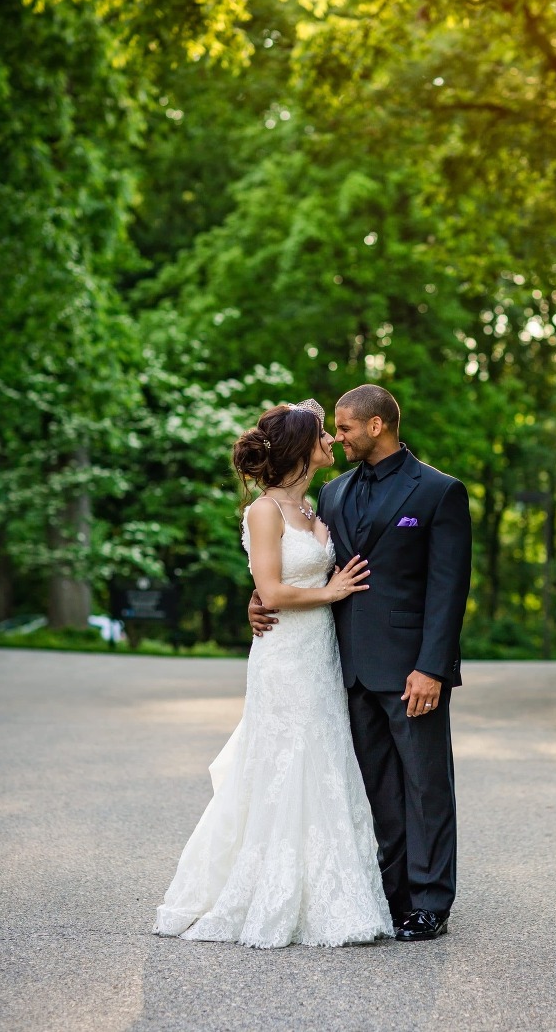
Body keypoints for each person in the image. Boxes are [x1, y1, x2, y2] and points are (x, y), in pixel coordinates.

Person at [154, 400, 393, 948]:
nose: (332, 441)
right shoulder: (264, 512)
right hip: (284, 657)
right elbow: (273, 589)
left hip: (321, 653)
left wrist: (315, 595)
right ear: (299, 447)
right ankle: (265, 892)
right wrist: (328, 591)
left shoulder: (315, 506)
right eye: (322, 436)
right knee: (285, 760)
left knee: (325, 758)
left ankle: (328, 893)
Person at [251, 385, 472, 941]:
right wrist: (257, 599)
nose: (338, 436)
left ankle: (430, 902)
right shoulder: (332, 493)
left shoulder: (439, 492)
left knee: (425, 784)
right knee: (374, 786)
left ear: (377, 426)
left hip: (409, 670)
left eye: (345, 427)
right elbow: (301, 571)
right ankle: (391, 894)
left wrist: (433, 667)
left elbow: (449, 589)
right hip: (340, 667)